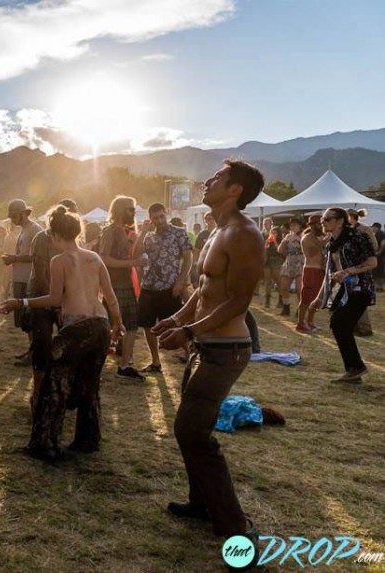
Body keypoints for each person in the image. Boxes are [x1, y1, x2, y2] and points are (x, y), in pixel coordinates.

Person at [153, 159, 265, 544]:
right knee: (191, 429)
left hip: (226, 349)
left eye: (216, 178)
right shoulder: (217, 230)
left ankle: (236, 526)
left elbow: (238, 300)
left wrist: (188, 331)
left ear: (235, 190)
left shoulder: (245, 234)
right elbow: (203, 289)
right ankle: (200, 503)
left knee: (192, 430)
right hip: (205, 345)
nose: (207, 181)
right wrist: (177, 319)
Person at [0, 206, 124, 461]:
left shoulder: (60, 261)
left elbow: (54, 299)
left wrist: (20, 302)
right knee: (90, 386)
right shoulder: (94, 258)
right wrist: (117, 323)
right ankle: (88, 440)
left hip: (77, 327)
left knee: (54, 385)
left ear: (55, 235)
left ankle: (46, 444)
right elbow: (110, 297)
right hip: (100, 325)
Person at [309, 207, 377, 382]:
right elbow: (329, 274)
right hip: (345, 290)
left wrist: (348, 271)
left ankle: (356, 367)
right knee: (339, 324)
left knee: (339, 322)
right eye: (322, 219)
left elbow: (372, 262)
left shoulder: (357, 237)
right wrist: (318, 298)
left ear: (340, 221)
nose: (322, 222)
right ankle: (354, 370)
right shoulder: (332, 243)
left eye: (327, 219)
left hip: (361, 288)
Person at [25, 199, 78, 413]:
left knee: (70, 346)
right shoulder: (42, 239)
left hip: (63, 299)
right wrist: (56, 303)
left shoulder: (72, 240)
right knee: (42, 345)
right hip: (41, 296)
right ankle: (38, 394)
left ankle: (65, 393)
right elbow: (40, 273)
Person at [133, 203, 192, 373]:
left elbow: (188, 258)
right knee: (147, 325)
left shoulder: (178, 232)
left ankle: (190, 355)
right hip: (149, 286)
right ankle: (156, 361)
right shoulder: (149, 236)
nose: (159, 220)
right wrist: (143, 231)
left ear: (166, 214)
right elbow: (136, 253)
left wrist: (180, 281)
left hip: (169, 286)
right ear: (150, 218)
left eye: (161, 216)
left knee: (175, 323)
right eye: (155, 218)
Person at [99, 195, 145, 380]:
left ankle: (125, 364)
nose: (134, 213)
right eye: (130, 209)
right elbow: (104, 258)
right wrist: (133, 263)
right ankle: (123, 365)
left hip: (123, 284)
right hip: (116, 284)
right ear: (119, 210)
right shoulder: (111, 231)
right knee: (121, 325)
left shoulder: (122, 231)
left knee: (126, 325)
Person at [2, 199, 42, 366]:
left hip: (28, 279)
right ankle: (32, 349)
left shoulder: (35, 230)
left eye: (13, 216)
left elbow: (36, 256)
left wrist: (14, 258)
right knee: (25, 320)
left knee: (30, 318)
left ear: (23, 213)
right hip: (20, 277)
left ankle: (35, 352)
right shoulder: (24, 229)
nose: (11, 220)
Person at [348, 209, 378, 337]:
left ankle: (365, 328)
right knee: (349, 297)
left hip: (361, 267)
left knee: (359, 296)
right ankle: (354, 325)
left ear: (352, 217)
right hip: (348, 267)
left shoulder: (365, 229)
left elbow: (374, 246)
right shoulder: (346, 229)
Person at [296, 214, 327, 333]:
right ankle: (300, 324)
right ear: (313, 225)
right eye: (319, 224)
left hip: (320, 270)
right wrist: (323, 243)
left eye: (322, 223)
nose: (322, 226)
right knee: (306, 297)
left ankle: (310, 321)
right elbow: (310, 254)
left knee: (316, 299)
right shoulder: (307, 238)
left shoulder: (321, 237)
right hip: (311, 269)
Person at [263, 225, 284, 309]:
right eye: (272, 232)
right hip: (268, 261)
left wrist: (275, 241)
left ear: (278, 234)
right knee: (267, 281)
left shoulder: (281, 240)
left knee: (279, 281)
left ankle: (280, 300)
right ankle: (267, 300)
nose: (273, 234)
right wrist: (266, 243)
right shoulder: (268, 240)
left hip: (277, 260)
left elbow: (280, 250)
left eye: (275, 232)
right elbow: (264, 251)